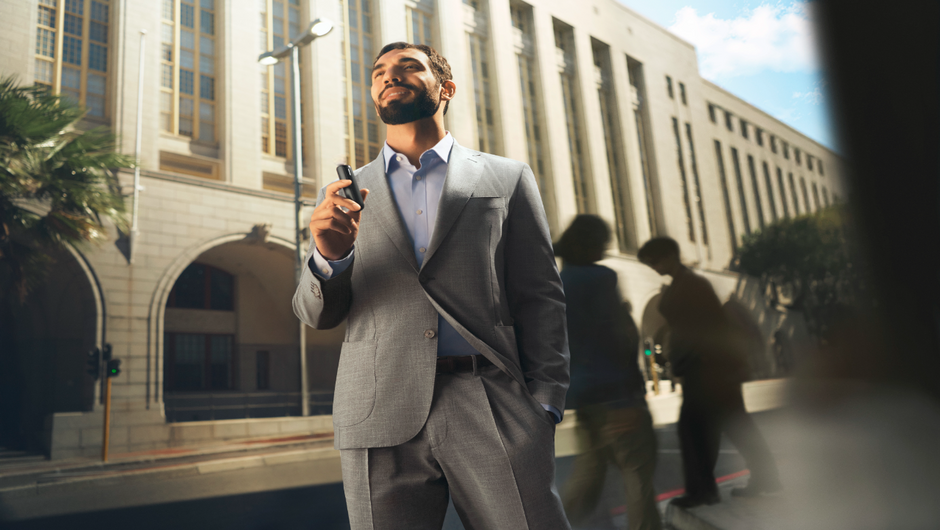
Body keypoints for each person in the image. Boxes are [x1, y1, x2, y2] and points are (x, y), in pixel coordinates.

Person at [292, 42, 570, 529]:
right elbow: (316, 314)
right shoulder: (344, 193)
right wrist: (329, 257)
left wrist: (544, 401)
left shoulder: (506, 178)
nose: (388, 76)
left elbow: (540, 295)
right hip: (377, 410)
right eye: (378, 72)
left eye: (407, 67)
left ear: (447, 88)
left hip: (492, 400)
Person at [637, 237, 781, 508]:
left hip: (707, 370)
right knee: (730, 427)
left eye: (654, 261)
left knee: (694, 432)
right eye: (649, 263)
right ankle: (761, 479)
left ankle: (703, 490)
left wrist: (692, 358)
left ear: (669, 255)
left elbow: (707, 328)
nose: (653, 267)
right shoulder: (684, 284)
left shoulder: (692, 285)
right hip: (710, 369)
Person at [555, 215, 662, 530]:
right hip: (616, 396)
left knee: (590, 474)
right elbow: (612, 339)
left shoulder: (561, 281)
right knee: (638, 471)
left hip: (585, 397)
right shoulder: (600, 278)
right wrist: (623, 399)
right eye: (604, 238)